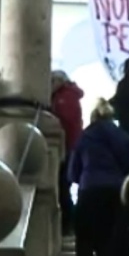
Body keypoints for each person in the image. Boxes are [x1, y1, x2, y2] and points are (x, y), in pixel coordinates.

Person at [68, 98, 129, 256]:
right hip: (116, 194)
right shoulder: (124, 137)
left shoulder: (85, 137)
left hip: (89, 191)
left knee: (84, 236)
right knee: (112, 244)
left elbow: (73, 172)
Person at [51, 71, 85, 236]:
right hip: (70, 147)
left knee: (62, 187)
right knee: (63, 187)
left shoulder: (64, 97)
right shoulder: (68, 96)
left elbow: (65, 123)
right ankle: (68, 225)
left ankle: (68, 225)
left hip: (67, 148)